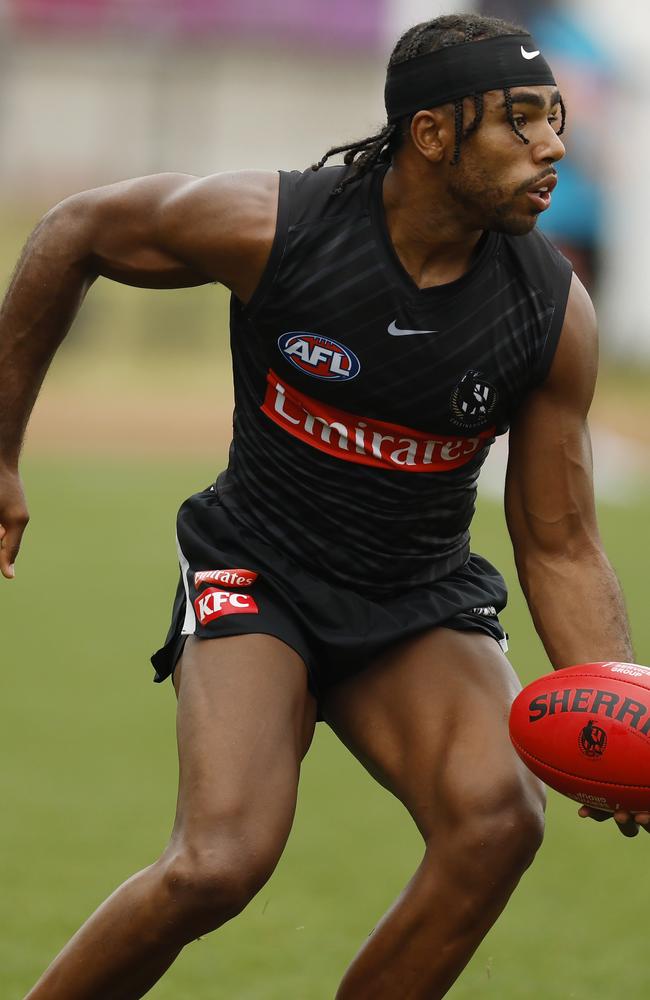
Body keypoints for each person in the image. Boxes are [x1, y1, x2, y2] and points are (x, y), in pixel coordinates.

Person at [0, 12, 642, 1000]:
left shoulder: (549, 313)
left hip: (415, 595)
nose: (552, 144)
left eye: (552, 118)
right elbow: (74, 230)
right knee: (221, 860)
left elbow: (556, 540)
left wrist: (613, 704)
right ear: (432, 136)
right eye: (518, 121)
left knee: (496, 819)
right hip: (257, 570)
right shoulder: (278, 226)